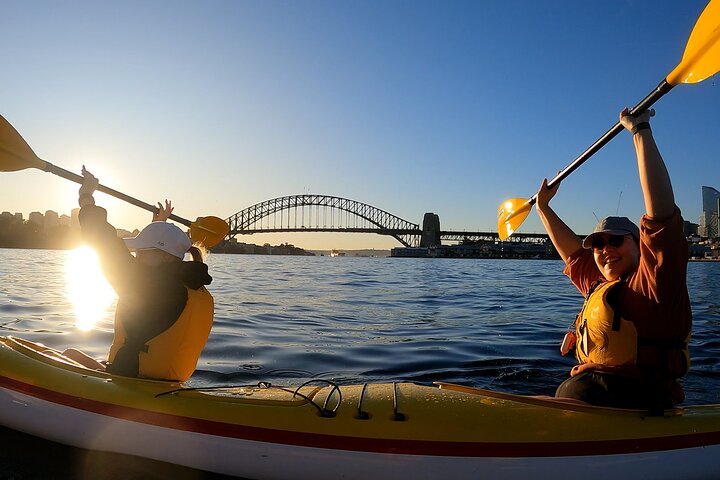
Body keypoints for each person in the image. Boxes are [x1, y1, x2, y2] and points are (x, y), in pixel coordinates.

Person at [535, 108, 691, 410]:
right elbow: (573, 254)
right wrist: (543, 208)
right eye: (598, 245)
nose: (605, 250)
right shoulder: (599, 284)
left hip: (640, 411)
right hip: (590, 408)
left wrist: (640, 130)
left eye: (616, 241)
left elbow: (661, 217)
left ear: (639, 245)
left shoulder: (655, 283)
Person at [62, 166, 215, 382]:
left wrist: (86, 195)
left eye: (141, 252)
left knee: (64, 355)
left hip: (133, 382)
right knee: (70, 354)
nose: (135, 257)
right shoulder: (187, 285)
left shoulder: (148, 285)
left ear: (162, 256)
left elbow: (101, 238)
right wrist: (158, 226)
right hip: (163, 382)